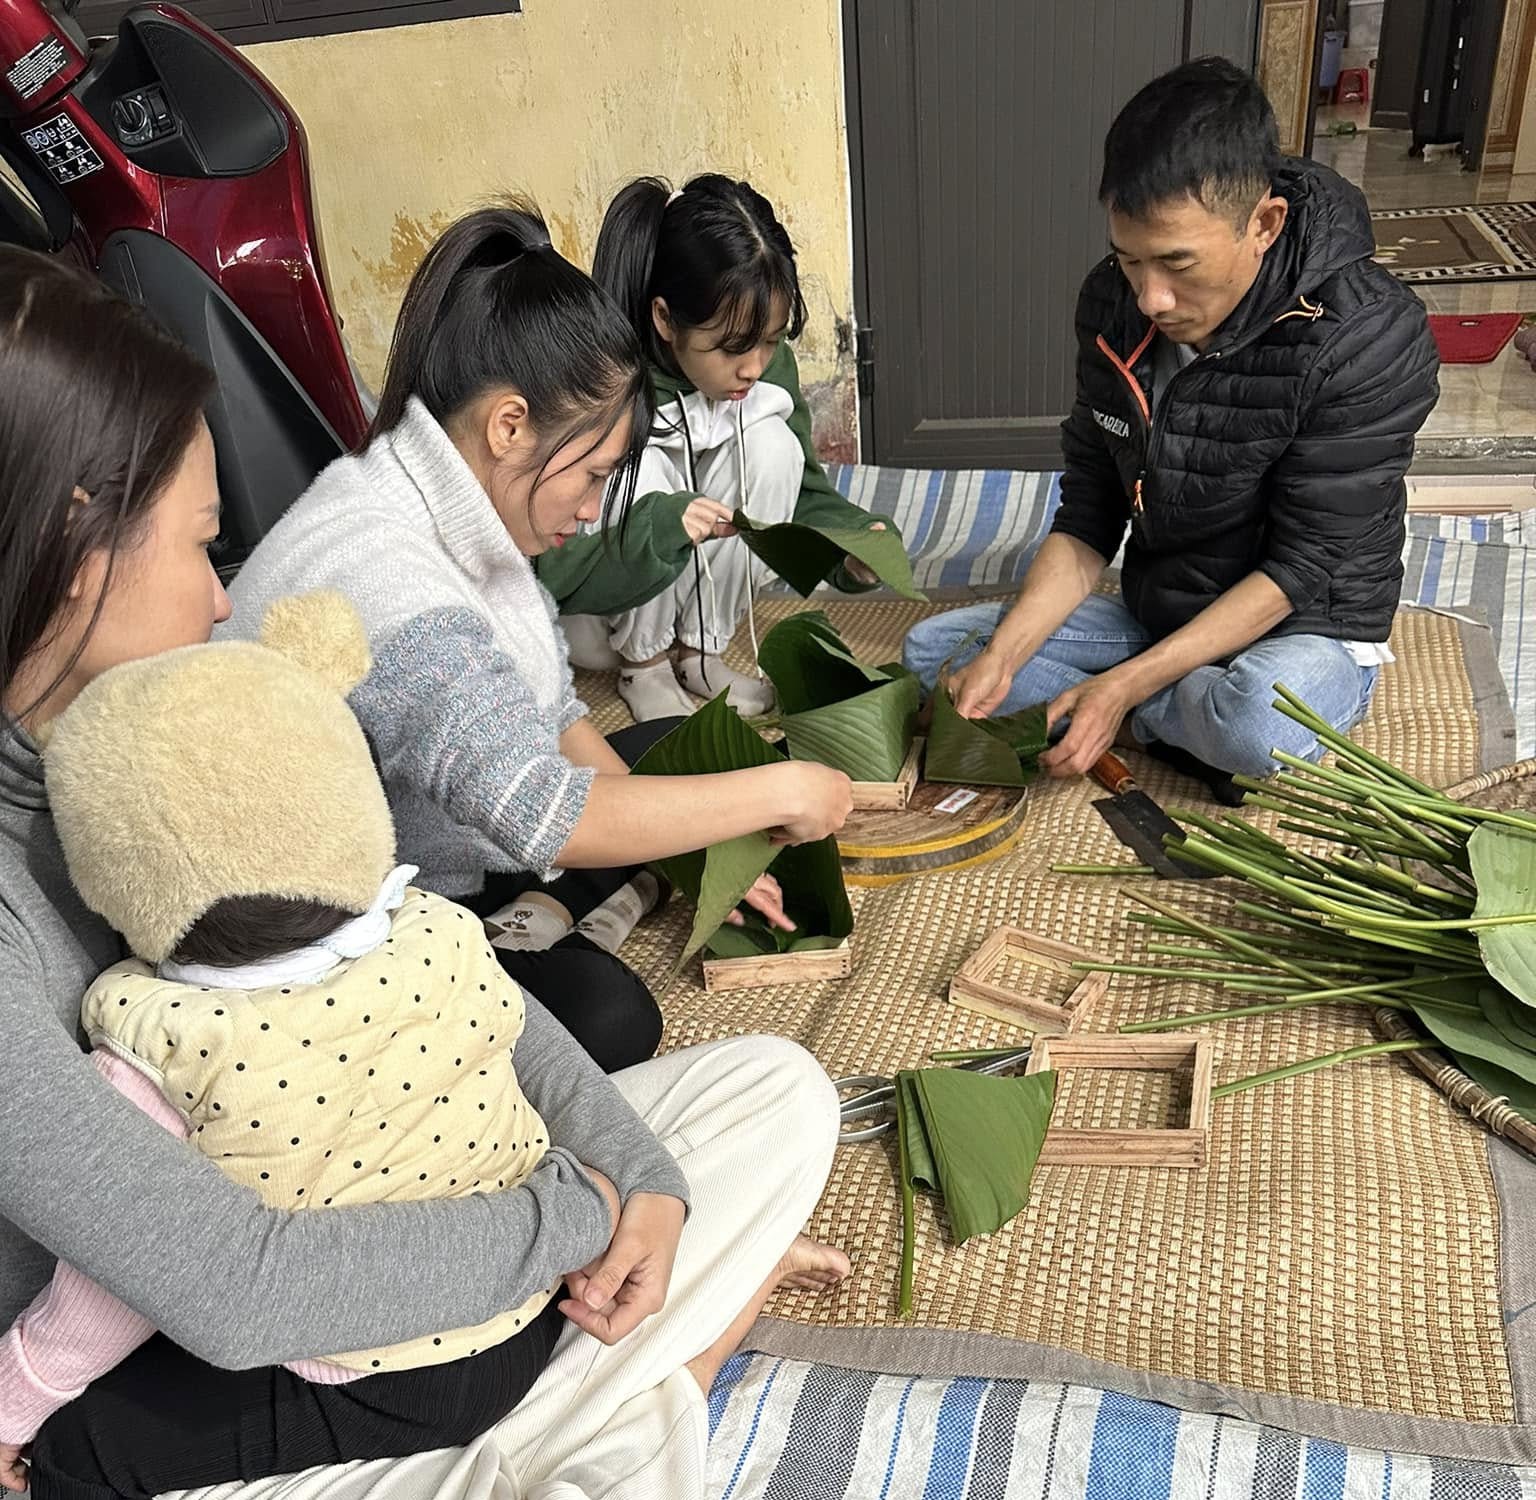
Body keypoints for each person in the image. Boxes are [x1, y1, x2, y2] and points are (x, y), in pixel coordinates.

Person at [0, 247, 844, 1500]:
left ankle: (565, 1396)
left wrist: (641, 1173)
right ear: (67, 549)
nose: (226, 592)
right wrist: (575, 1223)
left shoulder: (169, 712)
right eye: (197, 545)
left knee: (777, 1093)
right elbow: (236, 1288)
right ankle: (621, 1382)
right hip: (208, 1393)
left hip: (400, 1228)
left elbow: (404, 952)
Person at [227, 205, 854, 1072]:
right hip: (337, 945)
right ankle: (521, 933)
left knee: (679, 752)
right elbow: (545, 813)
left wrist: (703, 845)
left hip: (450, 827)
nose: (596, 509)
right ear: (510, 425)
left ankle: (553, 913)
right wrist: (775, 792)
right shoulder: (396, 584)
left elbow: (559, 722)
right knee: (609, 1018)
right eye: (595, 475)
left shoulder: (453, 498)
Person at [904, 58, 1439, 796]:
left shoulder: (1369, 333)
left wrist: (1122, 688)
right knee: (944, 652)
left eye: (1178, 264)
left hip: (1303, 621)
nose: (1151, 297)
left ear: (1264, 223)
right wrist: (1007, 654)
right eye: (1129, 260)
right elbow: (1091, 513)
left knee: (1256, 724)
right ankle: (1161, 712)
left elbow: (1303, 566)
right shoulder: (1112, 302)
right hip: (1164, 609)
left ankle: (1132, 713)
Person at [540, 175, 906, 721]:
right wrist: (661, 525)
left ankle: (700, 653)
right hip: (598, 611)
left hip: (694, 594)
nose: (753, 366)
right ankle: (647, 667)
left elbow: (801, 490)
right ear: (665, 319)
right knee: (636, 472)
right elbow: (549, 564)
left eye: (770, 339)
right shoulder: (602, 381)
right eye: (731, 347)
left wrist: (848, 549)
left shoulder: (761, 369)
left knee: (773, 447)